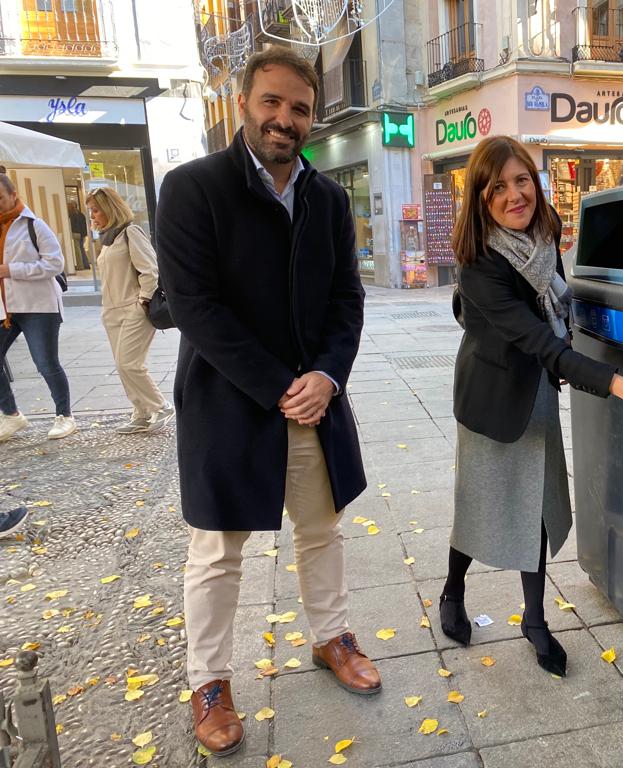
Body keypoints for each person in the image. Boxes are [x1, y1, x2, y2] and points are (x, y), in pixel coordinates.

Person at [156, 46, 375, 758]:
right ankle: (209, 681)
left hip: (314, 402)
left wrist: (328, 376)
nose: (286, 119)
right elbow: (196, 307)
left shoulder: (328, 197)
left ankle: (329, 638)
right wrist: (279, 385)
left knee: (321, 529)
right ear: (244, 104)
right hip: (228, 402)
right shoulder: (193, 188)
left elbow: (347, 299)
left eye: (300, 108)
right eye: (272, 102)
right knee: (217, 552)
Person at [442, 136, 623, 677]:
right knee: (480, 503)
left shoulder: (547, 228)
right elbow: (542, 343)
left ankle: (535, 620)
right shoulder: (480, 265)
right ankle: (452, 589)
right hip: (490, 396)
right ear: (481, 198)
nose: (516, 195)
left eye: (522, 180)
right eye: (499, 186)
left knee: (534, 502)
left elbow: (559, 306)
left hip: (535, 388)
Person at [86, 187, 173, 435]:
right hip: (111, 310)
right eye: (90, 210)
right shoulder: (106, 238)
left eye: (95, 210)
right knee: (121, 364)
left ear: (109, 208)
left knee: (129, 363)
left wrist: (142, 302)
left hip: (133, 307)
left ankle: (160, 406)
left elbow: (150, 270)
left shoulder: (129, 232)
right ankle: (142, 411)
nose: (92, 215)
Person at [0, 171, 77, 442]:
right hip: (5, 308)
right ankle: (11, 414)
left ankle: (64, 416)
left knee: (45, 362)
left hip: (38, 306)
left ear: (13, 196)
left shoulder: (34, 225)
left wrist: (12, 270)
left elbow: (54, 264)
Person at [67, 201, 89, 269]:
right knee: (82, 249)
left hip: (75, 233)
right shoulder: (81, 214)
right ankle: (86, 265)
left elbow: (72, 225)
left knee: (77, 251)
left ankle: (80, 266)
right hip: (82, 234)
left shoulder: (71, 215)